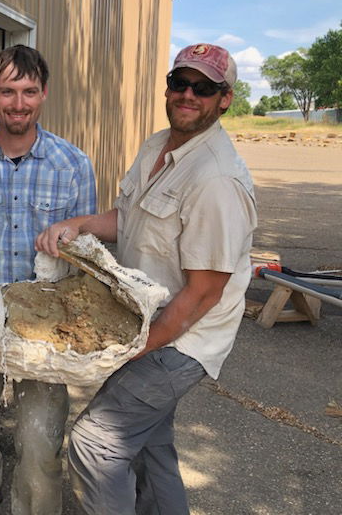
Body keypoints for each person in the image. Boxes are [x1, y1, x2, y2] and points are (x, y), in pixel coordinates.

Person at [36, 43, 257, 514]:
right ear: (168, 87)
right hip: (149, 322)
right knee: (151, 444)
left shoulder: (217, 180)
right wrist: (80, 224)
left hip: (180, 342)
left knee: (97, 445)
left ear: (225, 99)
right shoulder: (159, 144)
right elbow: (130, 219)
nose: (188, 95)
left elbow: (203, 293)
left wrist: (136, 346)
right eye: (180, 83)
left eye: (204, 88)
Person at [0, 44, 97, 515]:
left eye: (29, 91)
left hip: (47, 323)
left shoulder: (73, 166)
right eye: (8, 91)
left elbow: (83, 262)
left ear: (44, 94)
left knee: (39, 436)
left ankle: (35, 507)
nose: (18, 102)